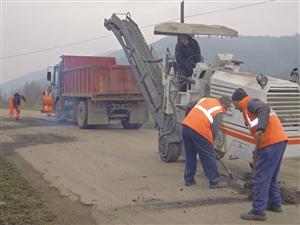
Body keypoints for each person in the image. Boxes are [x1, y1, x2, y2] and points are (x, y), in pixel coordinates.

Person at [231, 88, 288, 221]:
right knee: (271, 176)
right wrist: (256, 151)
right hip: (278, 141)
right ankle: (275, 204)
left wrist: (261, 129)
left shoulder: (249, 103)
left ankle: (258, 211)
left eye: (234, 104)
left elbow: (264, 109)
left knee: (260, 177)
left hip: (271, 143)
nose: (234, 107)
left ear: (238, 101)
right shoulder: (248, 108)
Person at [182, 96, 231, 188]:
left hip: (186, 127)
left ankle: (189, 180)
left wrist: (188, 118)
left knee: (190, 155)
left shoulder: (205, 99)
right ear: (224, 105)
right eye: (227, 108)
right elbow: (215, 129)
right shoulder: (219, 110)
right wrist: (211, 142)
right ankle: (214, 181)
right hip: (200, 131)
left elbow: (189, 105)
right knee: (209, 156)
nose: (226, 110)